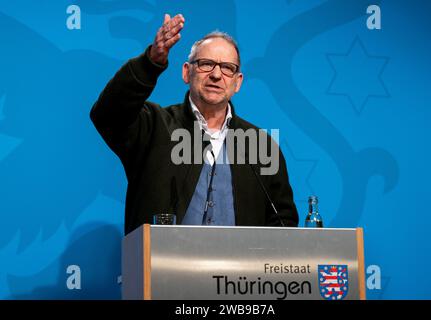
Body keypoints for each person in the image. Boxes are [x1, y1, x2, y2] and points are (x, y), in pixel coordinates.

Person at [90, 14, 299, 235]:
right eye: (206, 64)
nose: (216, 75)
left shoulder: (260, 145)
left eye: (228, 68)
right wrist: (150, 63)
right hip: (163, 266)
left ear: (237, 82)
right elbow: (107, 114)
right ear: (186, 72)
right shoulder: (153, 126)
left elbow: (283, 222)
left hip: (239, 268)